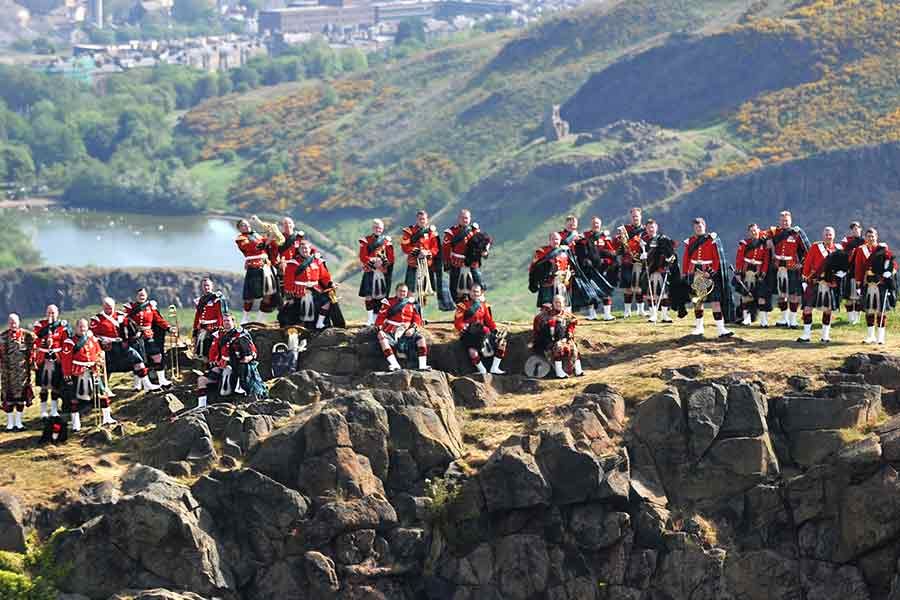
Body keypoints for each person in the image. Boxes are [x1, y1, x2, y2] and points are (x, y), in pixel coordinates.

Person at [196, 313, 266, 408]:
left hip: (236, 367)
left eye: (228, 320)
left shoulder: (241, 334)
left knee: (227, 372)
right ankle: (202, 406)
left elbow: (253, 351)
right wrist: (215, 363)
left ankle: (227, 399)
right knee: (201, 380)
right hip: (221, 365)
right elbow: (213, 353)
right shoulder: (219, 335)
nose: (226, 323)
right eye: (224, 321)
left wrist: (249, 358)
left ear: (233, 322)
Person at [90, 297, 157, 392]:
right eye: (106, 308)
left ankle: (147, 385)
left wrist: (133, 335)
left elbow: (130, 328)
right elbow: (92, 335)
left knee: (138, 360)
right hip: (107, 348)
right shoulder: (97, 319)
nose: (109, 310)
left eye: (111, 307)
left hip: (122, 345)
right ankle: (104, 389)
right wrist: (101, 342)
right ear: (103, 307)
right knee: (106, 369)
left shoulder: (121, 315)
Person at [682, 217, 733, 338]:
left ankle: (721, 329)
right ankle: (699, 328)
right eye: (696, 227)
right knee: (698, 302)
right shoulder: (690, 242)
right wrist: (685, 273)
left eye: (700, 226)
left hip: (709, 273)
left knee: (716, 302)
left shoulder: (712, 240)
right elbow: (686, 259)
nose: (698, 228)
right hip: (696, 273)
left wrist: (711, 272)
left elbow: (716, 258)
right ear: (694, 228)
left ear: (704, 226)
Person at [61, 318, 113, 430]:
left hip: (93, 371)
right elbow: (66, 360)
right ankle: (76, 424)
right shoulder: (69, 342)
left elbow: (98, 351)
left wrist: (100, 358)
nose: (82, 329)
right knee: (74, 399)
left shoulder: (92, 339)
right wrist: (67, 374)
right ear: (76, 328)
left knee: (102, 393)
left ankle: (107, 418)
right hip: (77, 372)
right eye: (80, 326)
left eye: (84, 326)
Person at [764, 211, 809, 328]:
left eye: (787, 220)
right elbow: (763, 236)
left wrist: (801, 264)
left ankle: (793, 320)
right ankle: (784, 319)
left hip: (792, 267)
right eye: (782, 220)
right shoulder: (774, 232)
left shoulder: (797, 233)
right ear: (779, 221)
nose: (784, 222)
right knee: (781, 294)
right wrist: (767, 239)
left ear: (791, 221)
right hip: (778, 267)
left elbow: (808, 250)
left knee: (793, 294)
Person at [123, 288, 176, 388]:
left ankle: (162, 380)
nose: (141, 296)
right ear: (136, 296)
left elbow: (158, 320)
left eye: (143, 294)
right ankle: (137, 385)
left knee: (157, 356)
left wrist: (168, 328)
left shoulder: (150, 307)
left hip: (148, 334)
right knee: (139, 360)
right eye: (139, 295)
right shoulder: (129, 307)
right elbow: (124, 322)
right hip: (135, 337)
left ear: (146, 295)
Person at [852, 227, 895, 344]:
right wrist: (858, 283)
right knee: (869, 310)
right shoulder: (861, 250)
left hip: (880, 283)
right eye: (868, 236)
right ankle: (870, 336)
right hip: (868, 283)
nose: (870, 239)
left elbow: (892, 264)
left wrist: (889, 272)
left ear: (876, 237)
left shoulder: (883, 249)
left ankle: (881, 337)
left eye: (873, 236)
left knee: (881, 310)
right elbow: (858, 267)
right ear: (865, 238)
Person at [797, 227, 840, 343]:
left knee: (828, 310)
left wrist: (836, 281)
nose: (828, 236)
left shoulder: (838, 249)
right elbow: (808, 263)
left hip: (829, 283)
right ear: (823, 235)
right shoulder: (816, 247)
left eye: (830, 234)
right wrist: (805, 279)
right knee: (807, 308)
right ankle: (806, 335)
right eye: (826, 234)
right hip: (814, 281)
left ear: (834, 235)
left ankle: (825, 336)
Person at [374, 283, 430, 372]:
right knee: (382, 339)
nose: (402, 293)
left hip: (406, 330)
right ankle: (394, 364)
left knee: (421, 339)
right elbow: (380, 318)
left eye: (404, 291)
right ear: (396, 292)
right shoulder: (388, 302)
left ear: (407, 293)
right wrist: (380, 330)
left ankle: (422, 366)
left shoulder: (412, 303)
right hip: (391, 329)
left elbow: (417, 319)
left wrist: (412, 328)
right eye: (400, 291)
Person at [454, 283, 506, 375]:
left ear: (480, 293)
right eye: (473, 291)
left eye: (477, 292)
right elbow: (458, 323)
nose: (476, 294)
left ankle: (495, 367)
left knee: (502, 343)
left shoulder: (483, 306)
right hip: (470, 333)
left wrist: (495, 329)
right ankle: (482, 370)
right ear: (469, 292)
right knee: (472, 352)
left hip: (484, 332)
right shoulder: (462, 306)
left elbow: (489, 321)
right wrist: (464, 328)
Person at [282, 241, 334, 329]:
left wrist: (330, 284)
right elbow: (288, 279)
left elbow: (324, 276)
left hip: (315, 289)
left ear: (310, 249)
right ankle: (303, 325)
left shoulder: (317, 261)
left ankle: (320, 322)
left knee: (327, 301)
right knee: (304, 304)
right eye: (302, 248)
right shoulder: (293, 263)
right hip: (299, 289)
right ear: (298, 250)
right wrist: (290, 294)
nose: (304, 250)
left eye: (306, 248)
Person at [235, 218, 278, 325]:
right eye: (243, 225)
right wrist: (267, 240)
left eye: (247, 224)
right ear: (239, 228)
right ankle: (245, 317)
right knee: (249, 295)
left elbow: (266, 243)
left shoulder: (256, 235)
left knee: (268, 292)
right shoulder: (240, 238)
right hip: (253, 266)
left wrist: (272, 234)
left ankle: (260, 317)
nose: (246, 226)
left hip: (265, 266)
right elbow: (252, 247)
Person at [531, 294, 583, 379]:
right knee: (559, 347)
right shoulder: (544, 316)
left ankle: (578, 370)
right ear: (553, 303)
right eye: (556, 302)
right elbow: (538, 330)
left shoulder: (567, 315)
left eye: (560, 302)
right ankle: (559, 372)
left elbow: (572, 323)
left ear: (563, 303)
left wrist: (569, 333)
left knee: (573, 348)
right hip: (548, 341)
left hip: (564, 339)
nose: (558, 304)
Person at [576, 216, 617, 321]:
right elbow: (580, 252)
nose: (595, 225)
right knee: (590, 291)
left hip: (603, 268)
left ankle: (607, 314)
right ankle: (592, 314)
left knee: (605, 290)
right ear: (591, 224)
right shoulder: (585, 236)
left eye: (597, 223)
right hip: (589, 269)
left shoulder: (605, 238)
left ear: (600, 224)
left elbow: (612, 253)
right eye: (594, 223)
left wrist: (606, 262)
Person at [32, 305, 69, 418]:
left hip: (57, 357)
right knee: (43, 385)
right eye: (49, 312)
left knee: (55, 385)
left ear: (57, 313)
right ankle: (43, 411)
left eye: (53, 313)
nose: (50, 315)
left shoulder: (63, 326)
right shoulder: (40, 324)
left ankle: (54, 410)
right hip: (43, 357)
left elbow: (66, 341)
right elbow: (36, 337)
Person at [401, 210, 443, 308]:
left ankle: (420, 313)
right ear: (417, 219)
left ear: (427, 220)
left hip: (426, 264)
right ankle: (409, 310)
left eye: (424, 219)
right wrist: (418, 252)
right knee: (410, 289)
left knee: (424, 291)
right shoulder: (409, 231)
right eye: (420, 219)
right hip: (413, 264)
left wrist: (427, 252)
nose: (422, 221)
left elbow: (435, 248)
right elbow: (405, 247)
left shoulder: (432, 232)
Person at [0, 314, 34, 431]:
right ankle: (10, 423)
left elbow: (36, 347)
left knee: (21, 399)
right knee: (8, 399)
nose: (13, 324)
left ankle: (19, 422)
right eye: (10, 322)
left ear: (19, 322)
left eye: (15, 322)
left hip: (23, 374)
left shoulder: (27, 335)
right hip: (7, 375)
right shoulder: (2, 337)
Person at [442, 209, 484, 304]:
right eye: (462, 218)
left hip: (472, 263)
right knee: (454, 288)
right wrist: (447, 264)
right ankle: (460, 308)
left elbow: (482, 245)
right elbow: (445, 250)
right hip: (456, 263)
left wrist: (483, 251)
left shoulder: (475, 231)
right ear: (458, 219)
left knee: (478, 283)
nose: (464, 220)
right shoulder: (451, 232)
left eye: (466, 218)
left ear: (470, 219)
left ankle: (479, 306)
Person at [359, 219, 395, 326]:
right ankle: (370, 319)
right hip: (370, 269)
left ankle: (378, 318)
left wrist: (383, 263)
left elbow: (391, 257)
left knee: (381, 296)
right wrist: (373, 261)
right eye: (375, 227)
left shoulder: (387, 242)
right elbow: (362, 256)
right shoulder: (366, 240)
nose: (377, 229)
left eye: (379, 228)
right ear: (372, 228)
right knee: (369, 295)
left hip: (382, 272)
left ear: (382, 229)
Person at [735, 223, 771, 327]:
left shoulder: (764, 244)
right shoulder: (744, 243)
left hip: (759, 272)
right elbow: (739, 259)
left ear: (759, 230)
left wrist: (763, 273)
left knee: (761, 296)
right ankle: (747, 319)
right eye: (751, 231)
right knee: (746, 296)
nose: (753, 232)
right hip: (746, 272)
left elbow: (766, 260)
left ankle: (764, 321)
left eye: (755, 230)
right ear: (748, 232)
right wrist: (738, 273)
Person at [643, 219, 677, 323]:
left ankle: (664, 315)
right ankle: (653, 314)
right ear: (646, 229)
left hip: (662, 269)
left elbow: (671, 253)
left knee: (664, 293)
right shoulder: (644, 241)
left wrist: (669, 260)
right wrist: (642, 256)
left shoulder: (663, 239)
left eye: (652, 227)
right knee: (651, 293)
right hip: (649, 270)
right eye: (648, 228)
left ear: (656, 227)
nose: (650, 230)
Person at [529, 232, 572, 307]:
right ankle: (545, 317)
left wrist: (567, 274)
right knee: (547, 304)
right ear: (549, 240)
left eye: (557, 239)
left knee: (561, 303)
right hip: (547, 282)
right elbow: (533, 268)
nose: (555, 241)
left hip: (561, 283)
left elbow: (569, 266)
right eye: (553, 239)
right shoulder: (542, 252)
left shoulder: (565, 251)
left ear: (560, 240)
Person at [618, 207, 647, 317]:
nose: (635, 218)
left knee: (639, 287)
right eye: (633, 216)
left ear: (640, 217)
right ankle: (627, 311)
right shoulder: (625, 230)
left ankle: (640, 310)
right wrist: (619, 240)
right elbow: (619, 245)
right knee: (628, 288)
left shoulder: (645, 230)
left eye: (637, 216)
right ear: (631, 217)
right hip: (627, 260)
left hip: (640, 261)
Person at [192, 278, 227, 361]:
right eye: (204, 286)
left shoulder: (216, 299)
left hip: (213, 327)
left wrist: (220, 328)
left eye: (208, 285)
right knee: (199, 344)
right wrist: (195, 328)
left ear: (212, 286)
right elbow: (198, 315)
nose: (206, 287)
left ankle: (211, 363)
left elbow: (220, 314)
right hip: (202, 327)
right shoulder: (200, 300)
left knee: (210, 346)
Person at [840, 222, 865, 324]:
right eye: (853, 229)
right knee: (849, 296)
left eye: (857, 228)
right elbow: (843, 252)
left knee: (859, 297)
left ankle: (857, 319)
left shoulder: (865, 241)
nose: (855, 230)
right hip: (849, 271)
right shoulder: (847, 240)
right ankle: (851, 319)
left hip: (861, 272)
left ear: (861, 229)